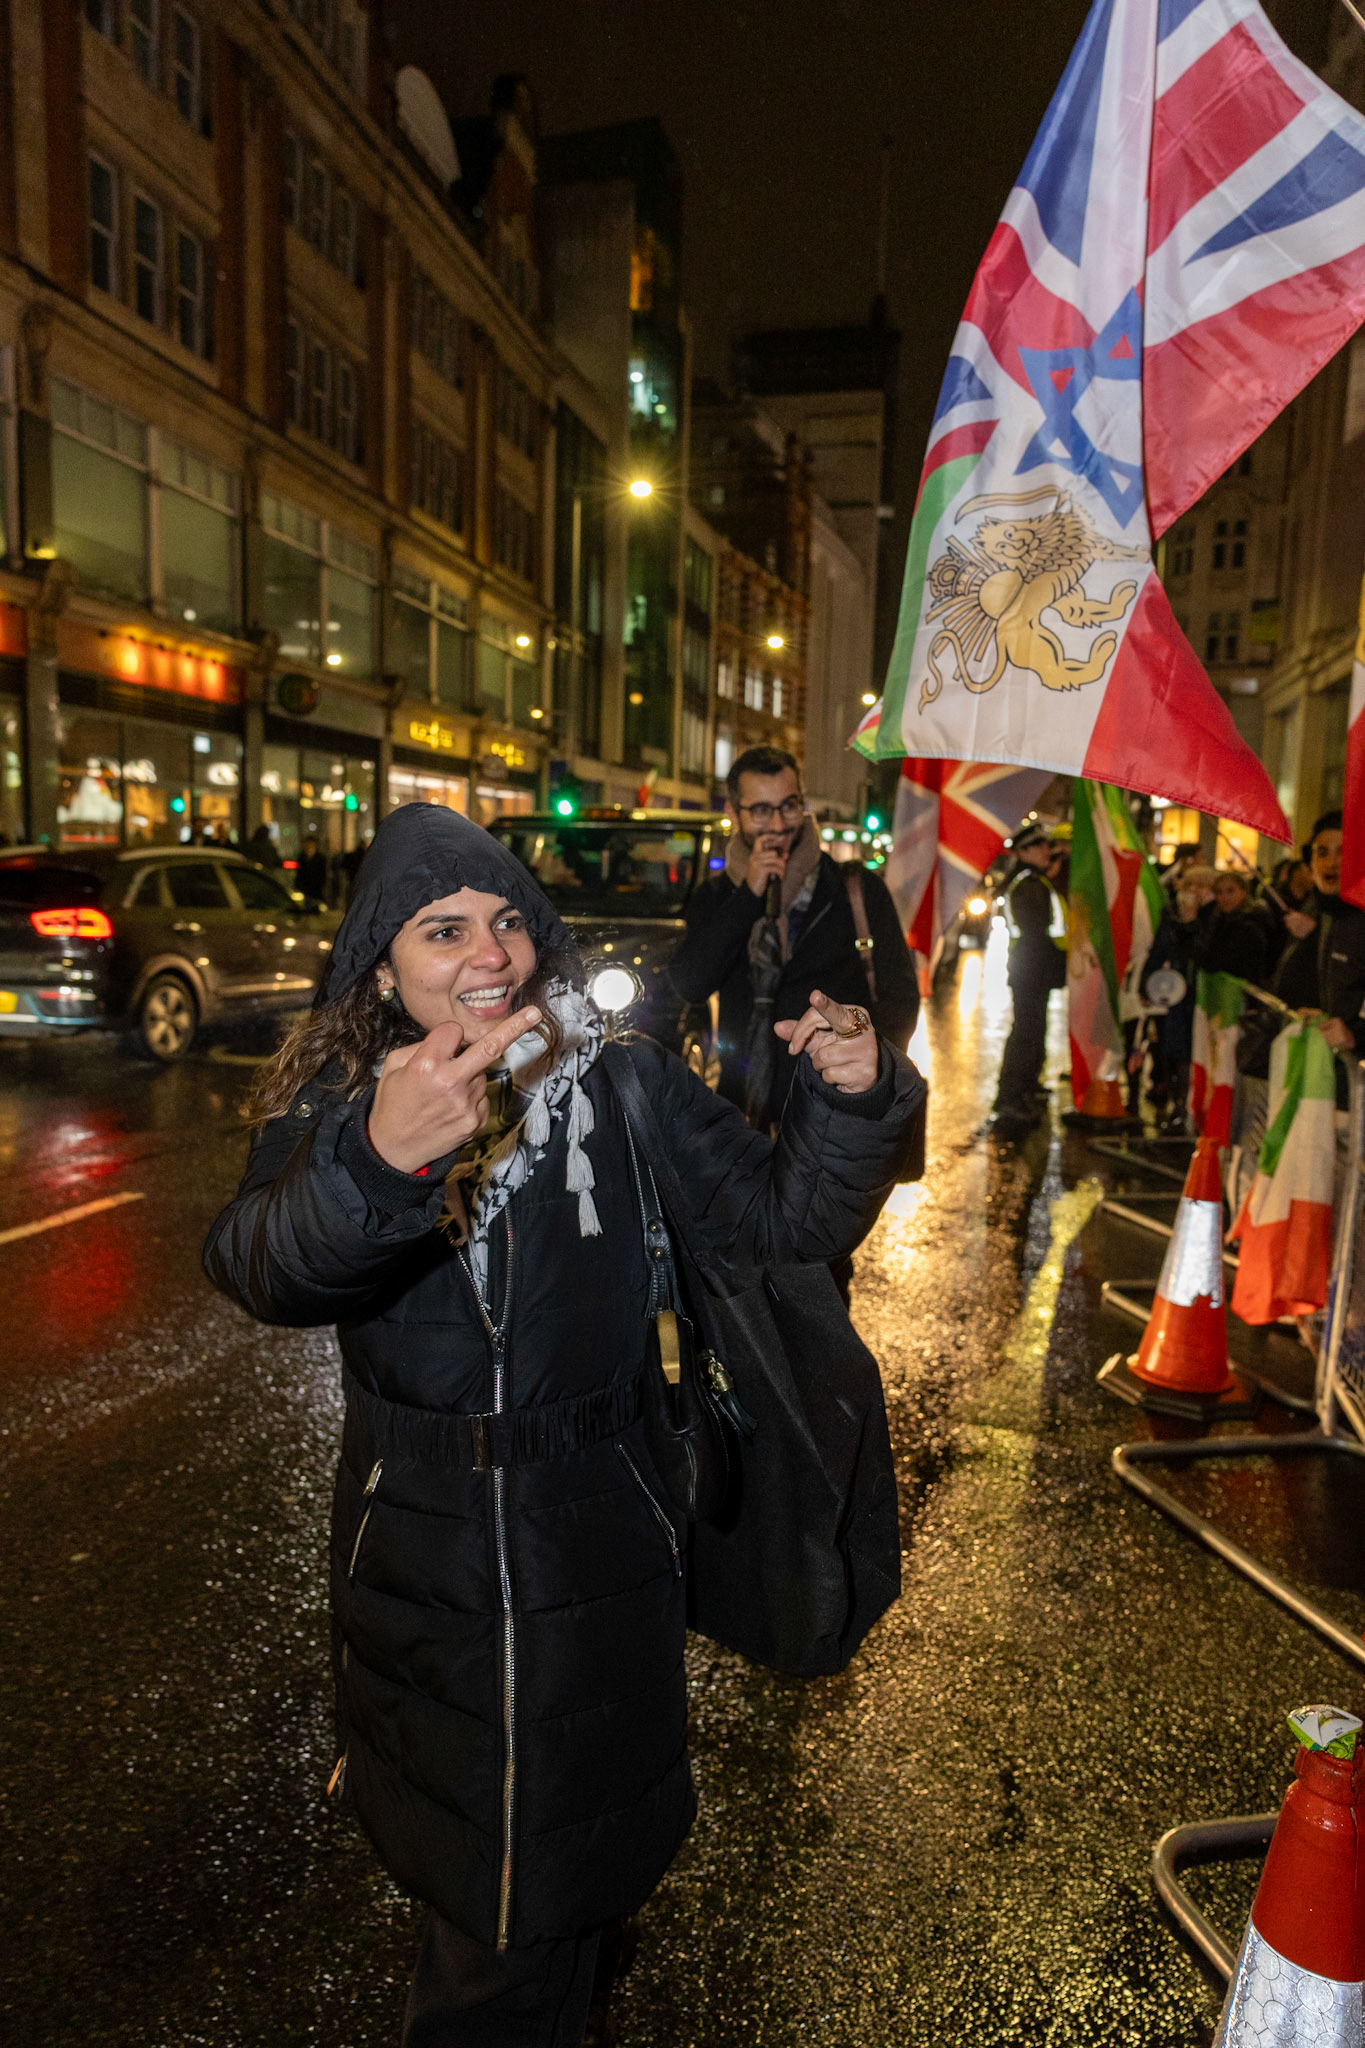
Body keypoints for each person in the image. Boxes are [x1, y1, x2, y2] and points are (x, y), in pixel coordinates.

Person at [202, 802, 924, 2048]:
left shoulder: (620, 1077)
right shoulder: (341, 1097)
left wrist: (853, 1101)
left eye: (506, 921)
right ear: (382, 963)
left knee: (563, 1878)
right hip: (420, 1555)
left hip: (604, 1524)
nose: (487, 953)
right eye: (443, 929)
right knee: (488, 1908)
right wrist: (379, 1159)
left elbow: (774, 1225)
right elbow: (259, 1262)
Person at [667, 746, 918, 1134]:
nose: (779, 824)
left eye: (789, 805)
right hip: (742, 1118)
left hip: (835, 1115)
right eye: (761, 811)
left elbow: (900, 999)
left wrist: (862, 1071)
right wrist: (749, 894)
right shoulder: (716, 897)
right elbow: (691, 984)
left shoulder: (857, 890)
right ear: (734, 813)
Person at [1264, 810, 1365, 1058]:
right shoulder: (1316, 908)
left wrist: (1357, 1037)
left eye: (1343, 852)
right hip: (1316, 1061)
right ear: (1311, 863)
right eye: (1323, 853)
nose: (1332, 863)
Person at [990, 824, 1068, 1138]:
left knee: (1034, 1030)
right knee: (1025, 1032)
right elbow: (1037, 934)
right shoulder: (1027, 885)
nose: (1045, 850)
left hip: (1034, 970)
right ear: (1023, 853)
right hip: (1030, 970)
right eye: (1038, 846)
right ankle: (1010, 1097)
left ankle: (1026, 1088)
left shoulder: (1034, 881)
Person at [296, 832, 329, 903]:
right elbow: (299, 873)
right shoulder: (301, 857)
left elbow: (322, 873)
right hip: (305, 888)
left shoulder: (320, 858)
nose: (309, 845)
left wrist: (320, 885)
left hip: (316, 888)